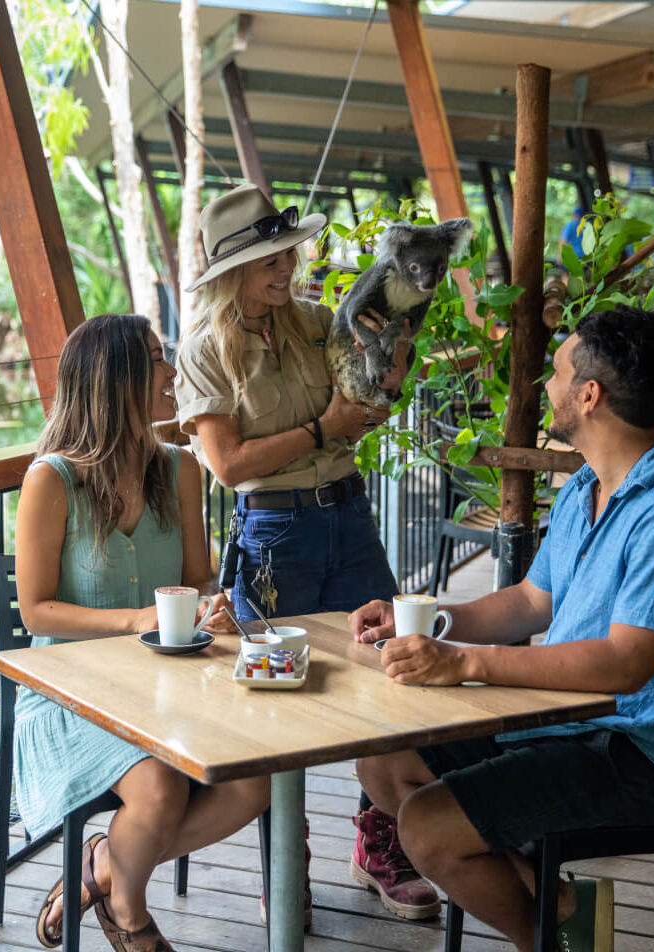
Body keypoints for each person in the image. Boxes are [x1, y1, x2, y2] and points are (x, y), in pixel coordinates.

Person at [348, 304, 654, 952]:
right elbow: (532, 601)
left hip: (634, 756)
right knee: (383, 759)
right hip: (558, 722)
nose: (543, 387)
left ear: (590, 395)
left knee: (429, 827)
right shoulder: (588, 486)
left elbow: (624, 664)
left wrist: (467, 663)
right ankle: (553, 898)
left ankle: (546, 939)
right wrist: (428, 615)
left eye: (556, 373)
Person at [174, 184, 441, 924]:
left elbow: (377, 399)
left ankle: (379, 845)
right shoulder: (203, 352)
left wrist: (397, 354)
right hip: (274, 533)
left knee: (391, 681)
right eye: (271, 258)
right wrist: (327, 428)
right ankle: (284, 864)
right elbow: (227, 466)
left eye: (287, 252)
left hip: (348, 515)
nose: (287, 266)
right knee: (276, 706)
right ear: (233, 271)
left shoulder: (323, 322)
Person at [14, 314, 270, 952]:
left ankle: (100, 865)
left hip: (168, 690)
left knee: (252, 784)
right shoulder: (52, 480)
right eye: (157, 360)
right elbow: (36, 612)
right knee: (158, 788)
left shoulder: (180, 470)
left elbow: (200, 578)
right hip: (69, 697)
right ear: (115, 380)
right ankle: (129, 914)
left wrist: (214, 609)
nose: (171, 372)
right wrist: (137, 619)